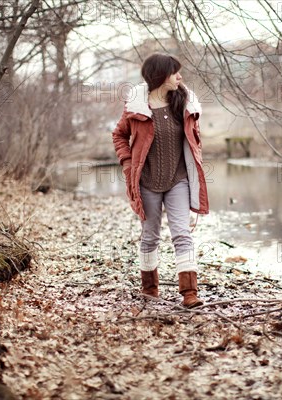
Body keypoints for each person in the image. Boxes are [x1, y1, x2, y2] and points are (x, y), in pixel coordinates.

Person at [112, 53, 209, 308]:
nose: (180, 76)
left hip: (178, 179)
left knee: (182, 234)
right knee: (150, 236)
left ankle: (190, 293)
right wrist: (127, 163)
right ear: (161, 76)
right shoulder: (136, 107)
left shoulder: (184, 103)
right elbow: (119, 136)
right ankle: (150, 289)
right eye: (175, 72)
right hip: (146, 182)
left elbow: (194, 141)